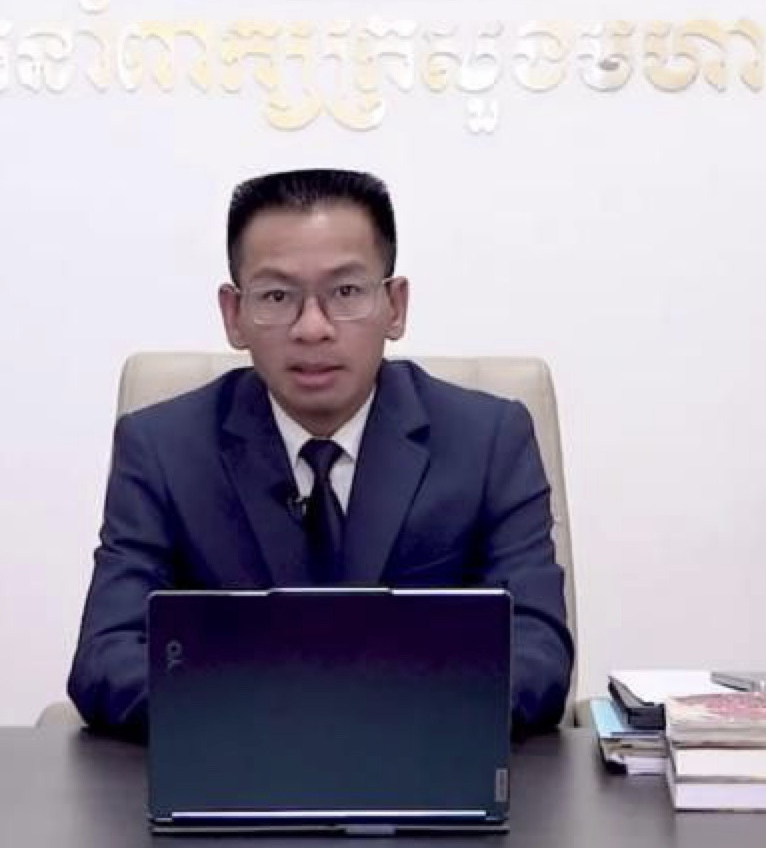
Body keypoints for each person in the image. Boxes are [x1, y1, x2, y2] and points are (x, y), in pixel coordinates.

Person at [66, 169, 573, 738]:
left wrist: (359, 713)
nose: (312, 328)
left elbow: (538, 653)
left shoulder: (489, 439)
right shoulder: (162, 448)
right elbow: (105, 658)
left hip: (425, 765)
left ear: (395, 306)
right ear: (234, 314)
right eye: (277, 296)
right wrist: (287, 715)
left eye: (346, 292)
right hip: (238, 770)